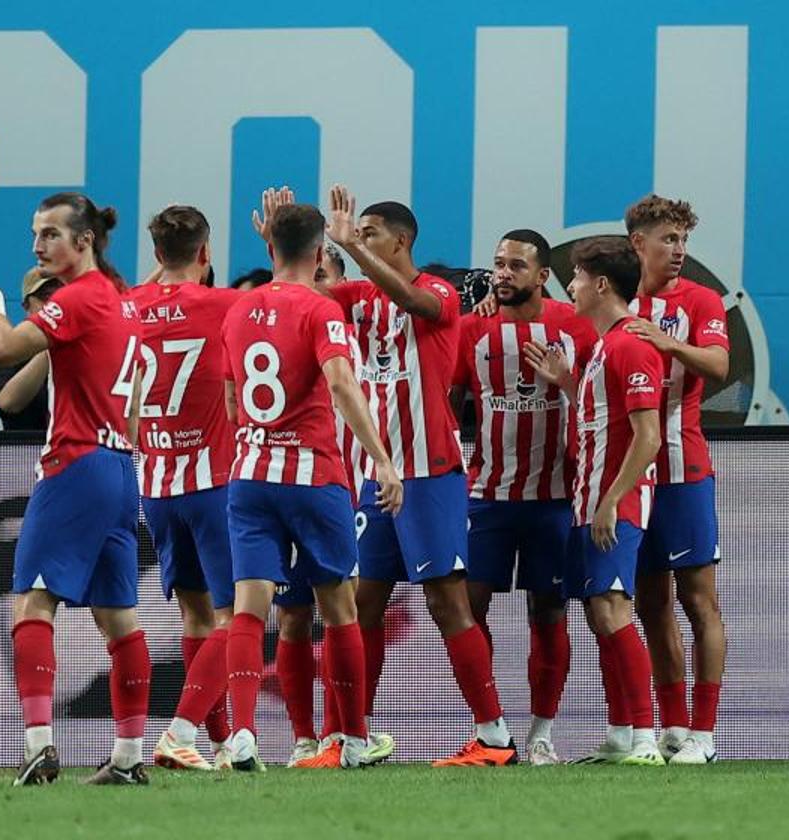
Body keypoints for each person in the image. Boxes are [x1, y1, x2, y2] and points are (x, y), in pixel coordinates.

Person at [0, 192, 150, 786]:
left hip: (77, 464)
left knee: (32, 603)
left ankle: (38, 747)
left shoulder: (81, 297)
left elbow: (2, 352)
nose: (39, 246)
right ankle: (130, 757)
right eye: (36, 234)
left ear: (83, 241)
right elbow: (134, 409)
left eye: (51, 235)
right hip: (120, 467)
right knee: (119, 619)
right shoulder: (120, 303)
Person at [323, 184, 516, 767]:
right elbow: (309, 299)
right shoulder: (355, 297)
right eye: (360, 235)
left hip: (430, 472)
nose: (361, 241)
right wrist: (288, 245)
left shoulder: (438, 292)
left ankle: (495, 736)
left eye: (371, 233)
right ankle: (352, 737)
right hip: (373, 472)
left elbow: (414, 300)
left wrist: (352, 250)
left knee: (445, 603)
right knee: (361, 603)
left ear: (401, 240)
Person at [219, 203, 403, 771]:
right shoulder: (322, 310)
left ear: (269, 249)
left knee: (252, 609)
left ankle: (244, 734)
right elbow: (344, 385)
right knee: (339, 609)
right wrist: (382, 461)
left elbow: (231, 403)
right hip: (314, 476)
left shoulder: (238, 310)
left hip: (250, 478)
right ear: (322, 254)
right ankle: (350, 738)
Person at [451, 229, 598, 765]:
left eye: (517, 265)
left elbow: (600, 393)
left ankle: (541, 734)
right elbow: (446, 400)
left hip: (556, 495)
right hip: (486, 494)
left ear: (542, 275)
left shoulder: (573, 324)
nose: (504, 273)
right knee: (467, 606)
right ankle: (491, 729)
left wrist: (566, 380)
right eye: (498, 265)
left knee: (550, 610)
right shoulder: (472, 328)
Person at [524, 237, 664, 765]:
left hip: (613, 505)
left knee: (613, 610)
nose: (573, 287)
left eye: (578, 277)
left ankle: (646, 738)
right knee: (599, 615)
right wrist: (565, 381)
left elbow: (647, 437)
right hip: (591, 503)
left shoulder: (631, 345)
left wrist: (611, 502)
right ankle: (622, 733)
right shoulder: (605, 346)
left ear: (601, 284)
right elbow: (601, 422)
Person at [126, 205, 241, 772]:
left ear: (155, 255)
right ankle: (181, 729)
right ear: (206, 253)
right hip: (212, 482)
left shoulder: (128, 308)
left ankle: (213, 745)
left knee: (197, 619)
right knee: (237, 615)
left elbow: (140, 295)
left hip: (157, 484)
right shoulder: (223, 304)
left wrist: (157, 281)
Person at [624, 195, 729, 765]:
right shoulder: (616, 298)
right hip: (630, 475)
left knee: (699, 601)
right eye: (669, 239)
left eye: (683, 240)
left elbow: (716, 365)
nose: (679, 250)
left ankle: (706, 737)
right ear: (638, 242)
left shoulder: (700, 300)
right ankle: (672, 729)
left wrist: (668, 341)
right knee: (650, 605)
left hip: (684, 470)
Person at [0, 268, 64, 430]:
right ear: (26, 306)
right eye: (46, 297)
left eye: (61, 297)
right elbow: (8, 404)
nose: (54, 306)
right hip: (24, 451)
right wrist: (48, 349)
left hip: (75, 451)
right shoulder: (13, 350)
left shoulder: (84, 348)